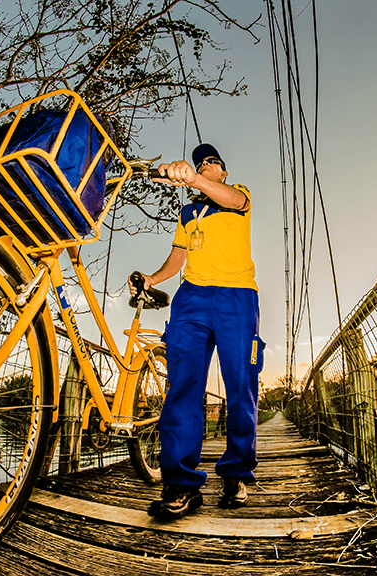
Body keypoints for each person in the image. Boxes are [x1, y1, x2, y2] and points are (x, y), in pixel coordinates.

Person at [128, 143, 264, 520]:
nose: (206, 165)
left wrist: (194, 178)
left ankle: (236, 471)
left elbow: (234, 200)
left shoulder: (239, 196)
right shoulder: (188, 212)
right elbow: (178, 256)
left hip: (237, 297)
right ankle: (182, 484)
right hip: (192, 298)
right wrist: (152, 279)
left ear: (222, 172)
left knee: (241, 385)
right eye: (200, 162)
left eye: (213, 162)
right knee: (183, 385)